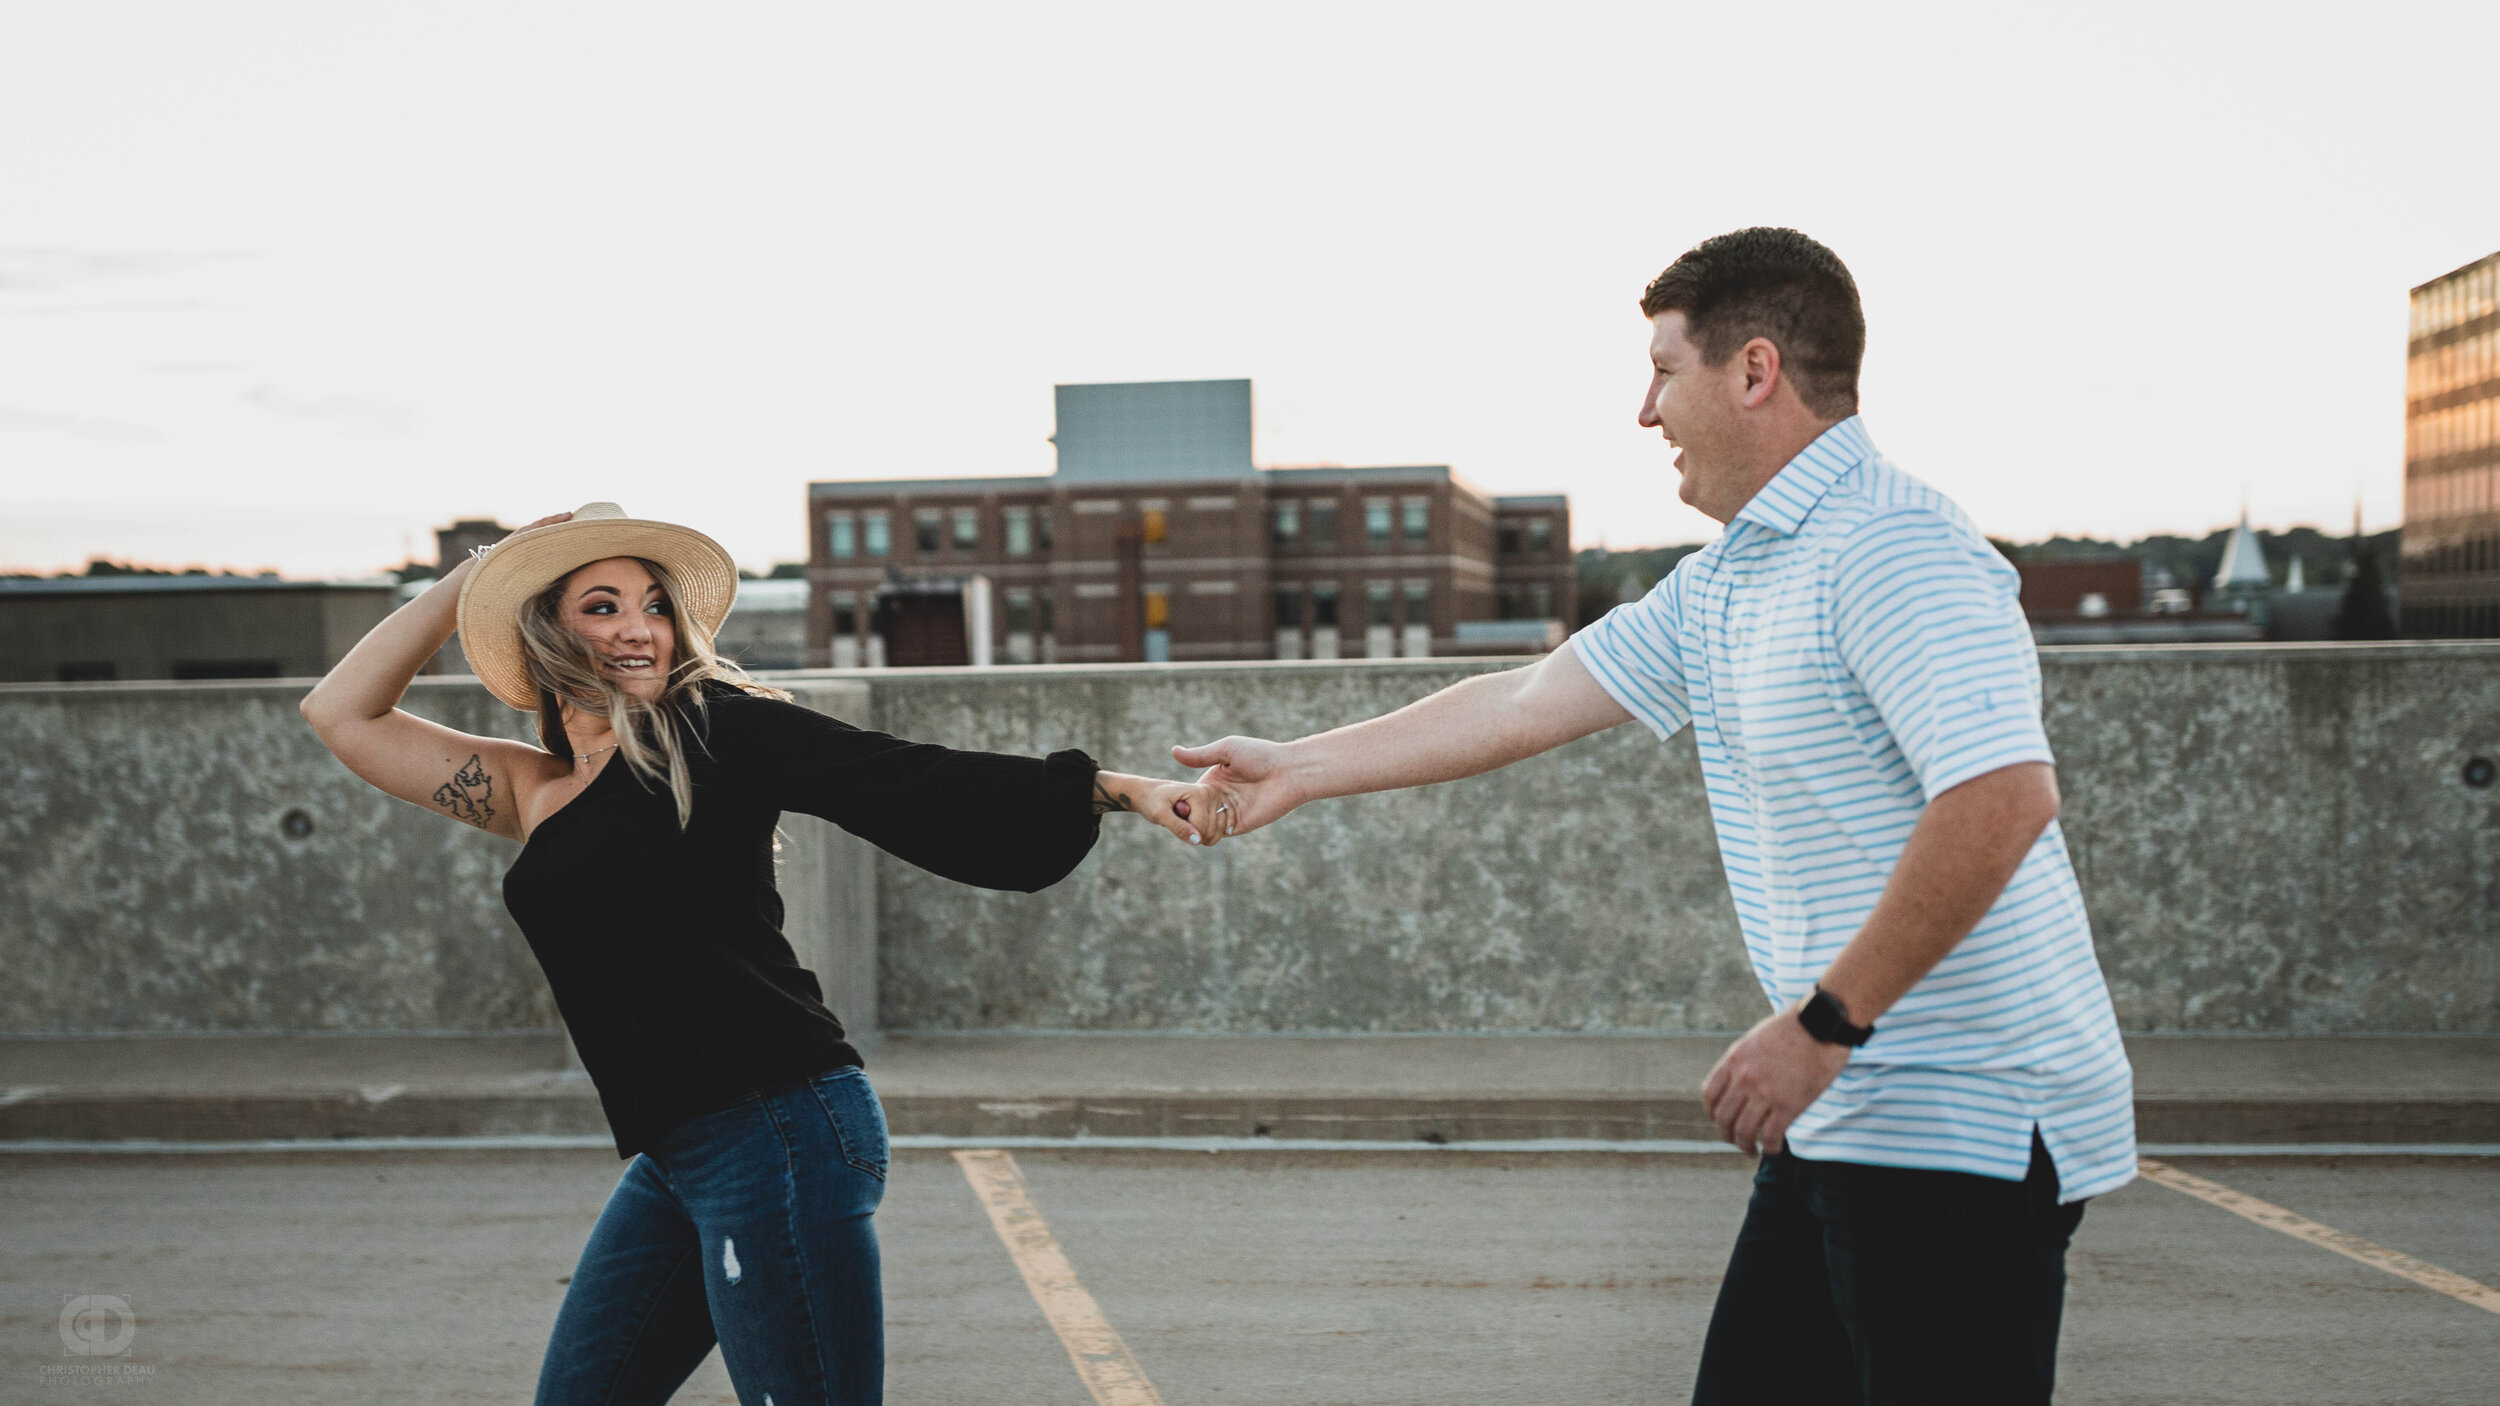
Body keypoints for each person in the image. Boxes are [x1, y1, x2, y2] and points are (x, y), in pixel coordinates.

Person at [1174, 228, 2136, 1405]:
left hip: (1958, 1116)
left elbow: (2002, 795)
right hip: (1842, 1105)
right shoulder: (1730, 576)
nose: (1644, 410)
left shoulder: (1894, 547)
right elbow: (1527, 693)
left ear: (1753, 371)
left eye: (1663, 370)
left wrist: (1824, 1023)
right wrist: (1300, 766)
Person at [299, 502, 1221, 1406]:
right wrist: (479, 572)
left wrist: (1115, 789)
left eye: (657, 606)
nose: (641, 630)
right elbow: (341, 710)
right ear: (545, 630)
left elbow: (900, 774)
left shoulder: (713, 732)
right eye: (603, 605)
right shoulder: (529, 788)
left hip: (779, 1130)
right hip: (676, 1152)